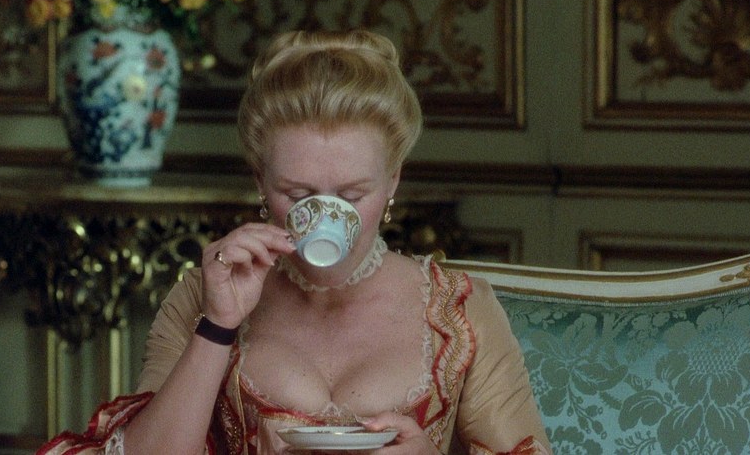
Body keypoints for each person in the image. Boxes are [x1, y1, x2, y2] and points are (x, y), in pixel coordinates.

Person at [38, 29, 551, 455]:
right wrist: (218, 326)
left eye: (352, 194)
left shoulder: (460, 311)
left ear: (393, 180)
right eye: (298, 194)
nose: (327, 215)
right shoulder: (201, 297)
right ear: (260, 182)